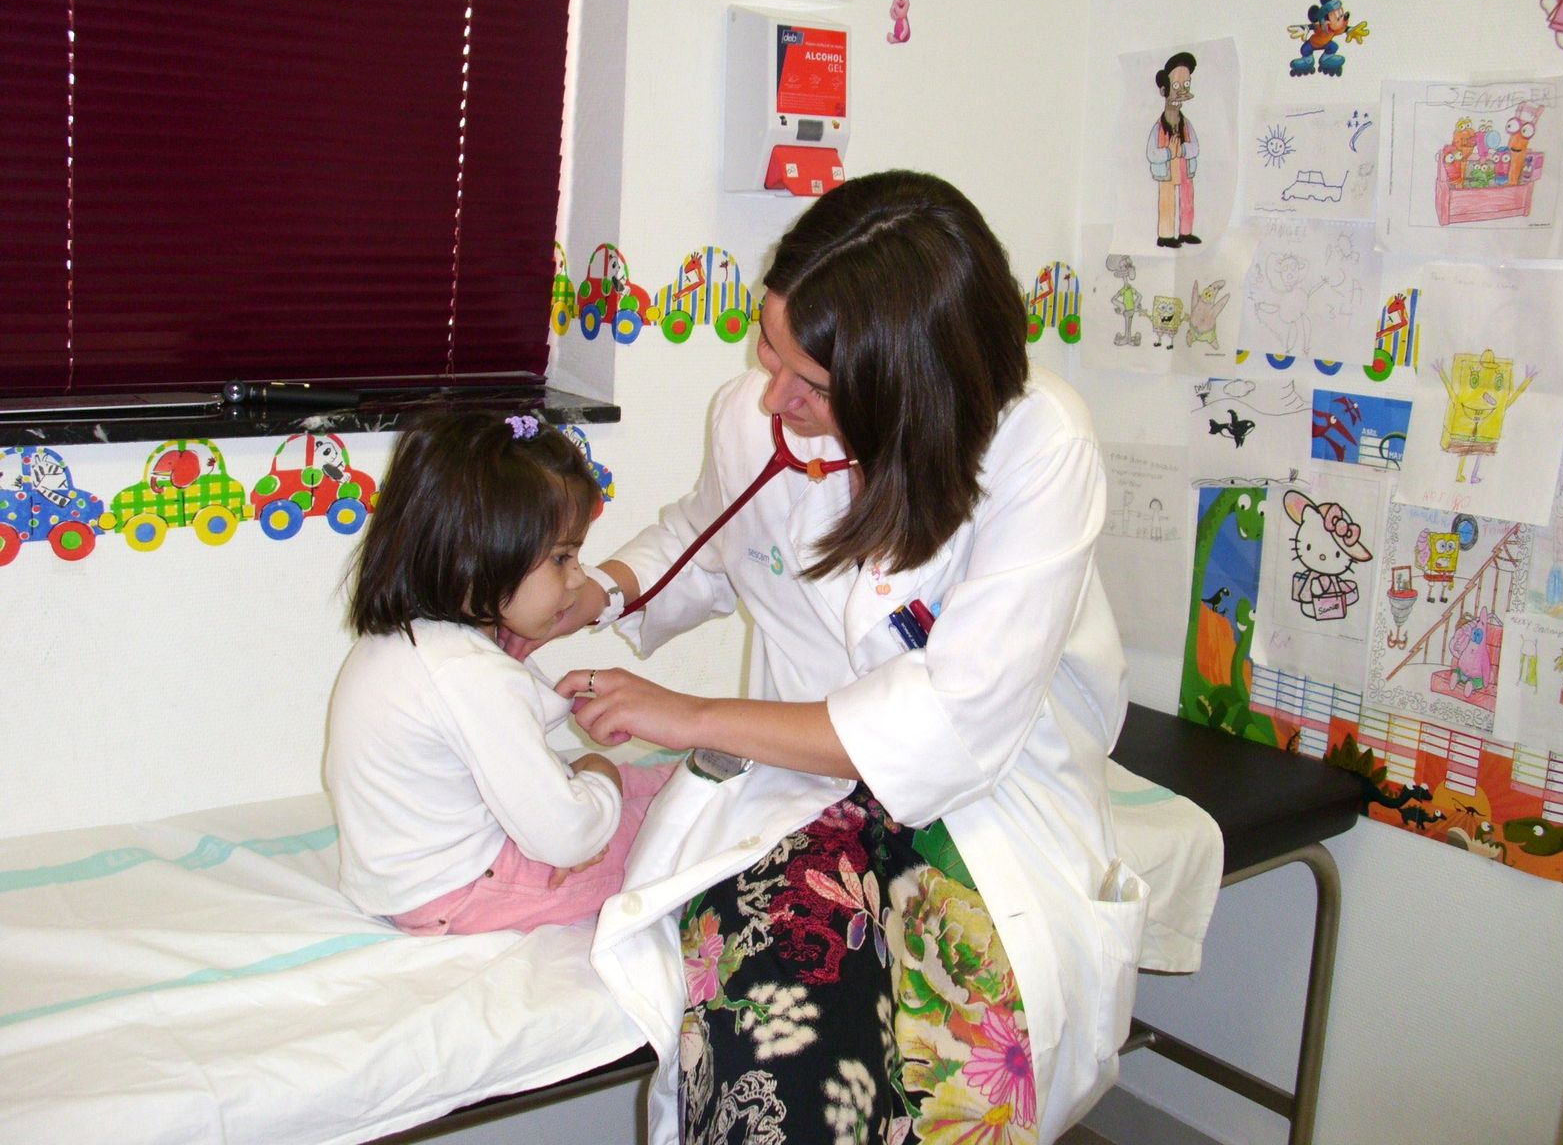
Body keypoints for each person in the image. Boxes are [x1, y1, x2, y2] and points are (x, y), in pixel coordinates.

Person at [532, 170, 1143, 1144]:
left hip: (981, 806)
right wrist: (597, 591)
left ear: (912, 382)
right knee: (775, 1082)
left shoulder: (1035, 450)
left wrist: (682, 715)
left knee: (957, 1094)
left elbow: (949, 729)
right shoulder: (757, 417)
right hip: (794, 797)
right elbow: (708, 537)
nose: (773, 395)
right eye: (767, 349)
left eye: (812, 384)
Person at [324, 410, 671, 937]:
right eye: (562, 557)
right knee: (679, 829)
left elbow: (487, 744)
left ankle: (676, 779)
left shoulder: (403, 640)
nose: (579, 577)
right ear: (478, 558)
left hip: (403, 882)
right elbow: (569, 839)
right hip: (465, 890)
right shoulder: (471, 673)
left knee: (654, 784)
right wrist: (599, 768)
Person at [1147, 50, 1200, 248]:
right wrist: (1169, 153)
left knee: (1187, 199)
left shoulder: (1186, 124)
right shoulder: (1159, 127)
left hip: (1185, 169)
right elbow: (1151, 153)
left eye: (1186, 84)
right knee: (1167, 202)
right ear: (1164, 89)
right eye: (1176, 85)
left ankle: (1186, 232)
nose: (1182, 90)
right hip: (1166, 171)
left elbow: (1195, 147)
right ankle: (1166, 235)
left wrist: (1184, 150)